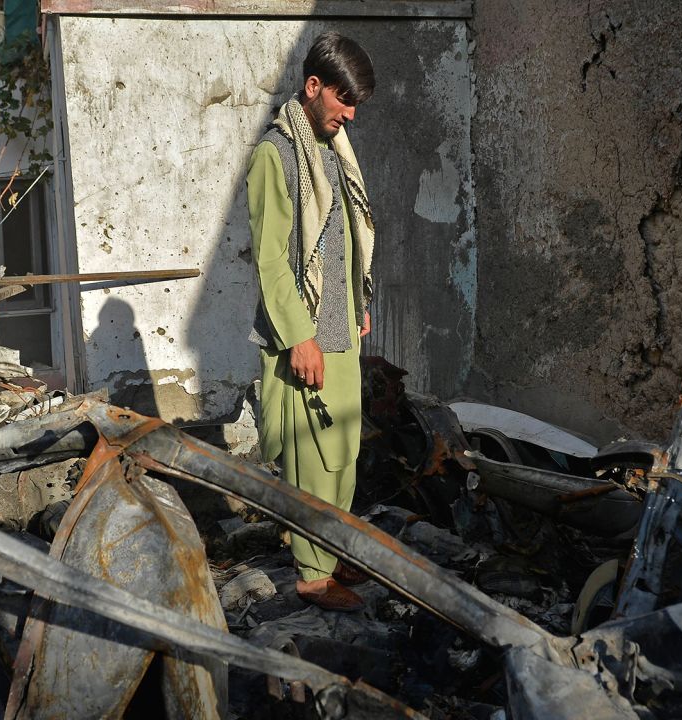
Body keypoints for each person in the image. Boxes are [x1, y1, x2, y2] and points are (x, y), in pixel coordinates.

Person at [247, 32, 376, 612]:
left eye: (356, 105)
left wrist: (356, 303)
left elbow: (341, 237)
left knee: (343, 449)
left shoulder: (335, 150)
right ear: (313, 86)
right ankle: (311, 573)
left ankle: (332, 547)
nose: (349, 114)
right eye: (342, 100)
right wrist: (300, 335)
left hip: (340, 326)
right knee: (310, 456)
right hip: (303, 333)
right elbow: (273, 257)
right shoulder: (275, 154)